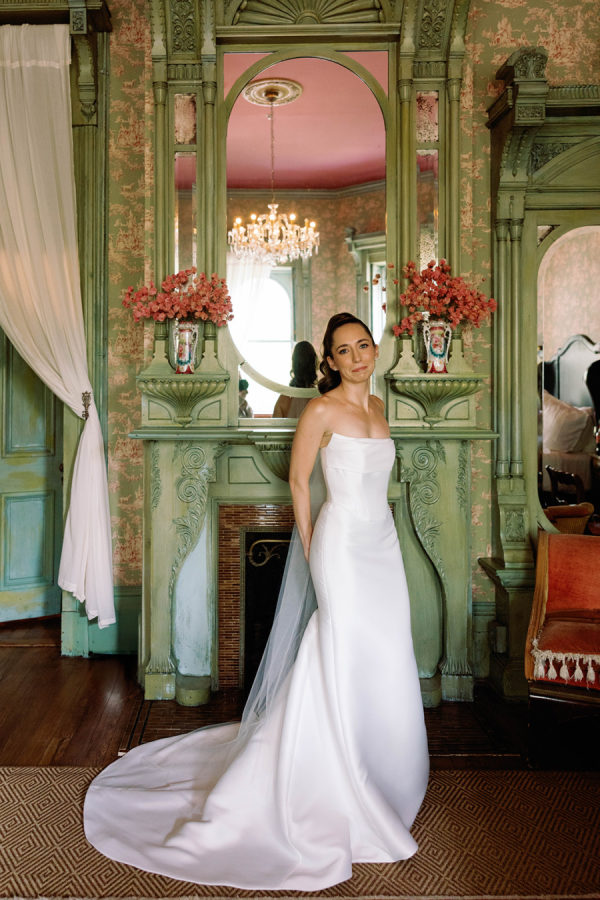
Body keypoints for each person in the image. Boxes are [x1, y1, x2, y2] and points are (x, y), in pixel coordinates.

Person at [83, 312, 429, 891]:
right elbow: (298, 483)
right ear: (330, 362)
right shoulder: (320, 412)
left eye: (363, 345)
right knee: (339, 647)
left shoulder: (379, 409)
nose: (356, 357)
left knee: (387, 650)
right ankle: (331, 775)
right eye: (344, 350)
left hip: (383, 545)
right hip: (341, 546)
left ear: (375, 350)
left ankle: (384, 768)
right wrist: (314, 548)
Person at [273, 339, 318, 418]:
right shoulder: (320, 398)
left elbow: (275, 424)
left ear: (294, 363)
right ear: (314, 363)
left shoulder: (284, 399)